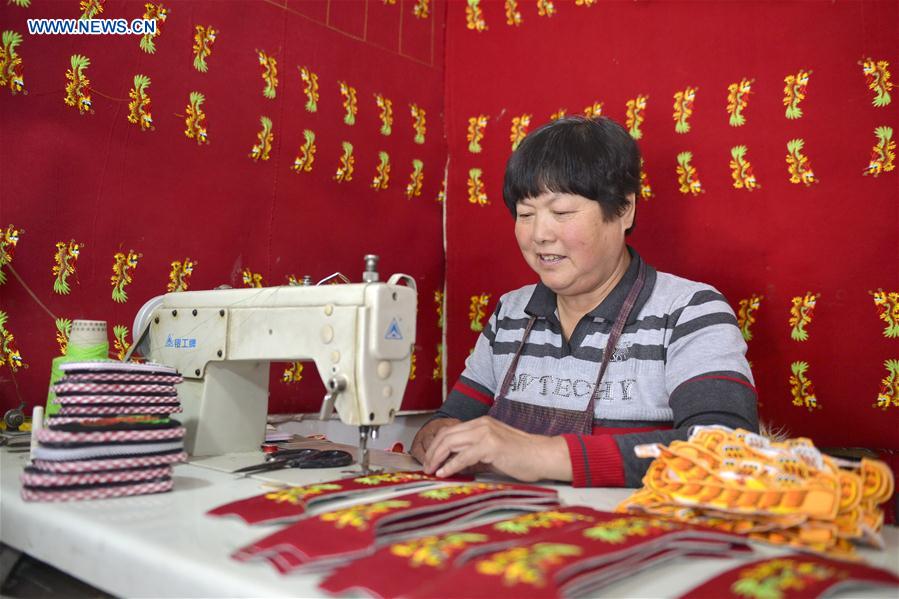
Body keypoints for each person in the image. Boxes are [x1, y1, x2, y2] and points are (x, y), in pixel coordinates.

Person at [411, 115, 758, 487]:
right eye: (525, 214)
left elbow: (725, 450)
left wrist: (541, 455)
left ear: (624, 209)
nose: (539, 234)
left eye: (562, 213)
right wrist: (438, 436)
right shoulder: (510, 315)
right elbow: (448, 422)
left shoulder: (689, 313)